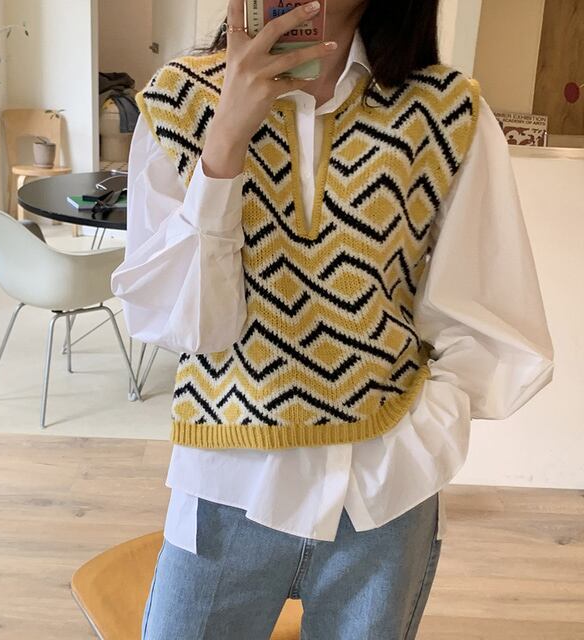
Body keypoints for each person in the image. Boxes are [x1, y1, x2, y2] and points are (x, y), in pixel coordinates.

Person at [111, 0, 555, 638]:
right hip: (227, 484)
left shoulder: (445, 112)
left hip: (383, 492)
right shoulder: (179, 102)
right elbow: (183, 326)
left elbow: (487, 312)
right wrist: (225, 140)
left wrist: (421, 437)